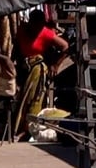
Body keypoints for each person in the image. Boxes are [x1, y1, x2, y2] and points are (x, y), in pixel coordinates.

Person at [13, 9, 69, 140]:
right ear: (30, 22)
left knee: (34, 99)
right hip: (23, 69)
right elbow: (16, 48)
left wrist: (55, 65)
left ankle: (28, 129)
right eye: (35, 23)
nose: (37, 27)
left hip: (38, 69)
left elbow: (65, 46)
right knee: (21, 99)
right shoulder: (22, 30)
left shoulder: (45, 33)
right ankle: (19, 127)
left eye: (40, 24)